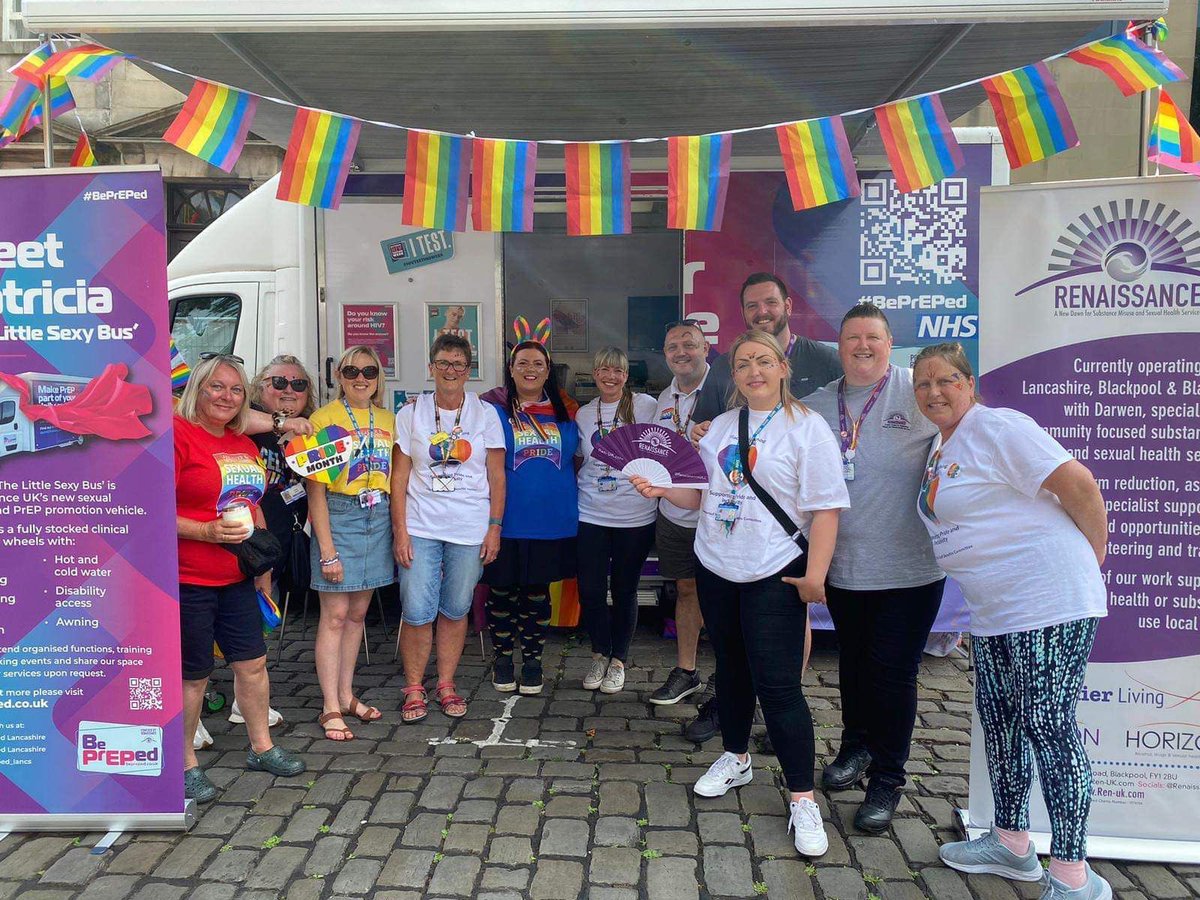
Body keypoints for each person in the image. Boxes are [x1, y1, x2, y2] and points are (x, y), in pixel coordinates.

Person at [634, 329, 848, 857]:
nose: (753, 370)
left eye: (763, 361)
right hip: (716, 564)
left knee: (778, 686)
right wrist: (664, 490)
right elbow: (701, 494)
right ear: (735, 375)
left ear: (782, 368)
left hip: (774, 569)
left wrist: (816, 575)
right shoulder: (724, 427)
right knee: (729, 670)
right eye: (744, 363)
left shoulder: (808, 428)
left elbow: (825, 509)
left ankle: (802, 798)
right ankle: (736, 757)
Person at [912, 343, 1110, 900]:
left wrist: (1087, 560)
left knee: (1049, 725)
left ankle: (1075, 876)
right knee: (1000, 722)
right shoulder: (941, 444)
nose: (934, 393)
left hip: (1047, 602)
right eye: (923, 384)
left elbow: (1080, 486)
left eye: (946, 380)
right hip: (996, 610)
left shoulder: (998, 427)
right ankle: (1011, 842)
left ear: (969, 383)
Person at [802, 304, 945, 833]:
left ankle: (888, 778)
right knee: (854, 666)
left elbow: (969, 429)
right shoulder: (817, 405)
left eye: (873, 338)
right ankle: (855, 748)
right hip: (846, 566)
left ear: (890, 343)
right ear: (838, 346)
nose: (862, 346)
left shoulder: (920, 390)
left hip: (910, 568)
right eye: (852, 338)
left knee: (893, 674)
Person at [685, 273, 844, 742]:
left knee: (782, 646)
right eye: (752, 305)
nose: (762, 311)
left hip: (791, 530)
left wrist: (817, 570)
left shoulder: (824, 359)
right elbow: (707, 435)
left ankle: (779, 710)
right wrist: (698, 436)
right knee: (732, 653)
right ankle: (732, 714)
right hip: (729, 539)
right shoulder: (724, 374)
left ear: (788, 304)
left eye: (770, 302)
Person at [175, 354, 306, 803]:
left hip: (237, 577)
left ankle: (261, 747)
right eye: (216, 386)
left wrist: (262, 554)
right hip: (188, 577)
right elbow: (150, 509)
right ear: (197, 389)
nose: (226, 397)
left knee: (252, 664)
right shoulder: (177, 436)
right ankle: (185, 764)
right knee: (192, 676)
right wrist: (205, 531)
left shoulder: (244, 445)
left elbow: (250, 502)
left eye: (235, 389)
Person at [392, 334, 506, 722]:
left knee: (456, 609)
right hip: (421, 525)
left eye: (459, 364)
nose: (451, 370)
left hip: (469, 527)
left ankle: (445, 683)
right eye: (443, 363)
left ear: (469, 371)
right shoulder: (411, 413)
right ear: (431, 367)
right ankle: (413, 686)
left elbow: (496, 475)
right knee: (418, 609)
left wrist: (494, 527)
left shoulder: (485, 413)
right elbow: (398, 478)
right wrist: (400, 531)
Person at [481, 332, 579, 695]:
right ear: (511, 369)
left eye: (538, 363)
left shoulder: (567, 412)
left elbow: (578, 460)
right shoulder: (491, 411)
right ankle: (504, 658)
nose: (530, 369)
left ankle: (534, 660)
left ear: (548, 369)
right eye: (522, 362)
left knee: (537, 595)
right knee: (502, 592)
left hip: (551, 521)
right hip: (505, 520)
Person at [306, 346, 396, 741]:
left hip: (377, 516)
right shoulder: (322, 419)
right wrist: (327, 550)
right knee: (335, 615)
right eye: (352, 370)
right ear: (339, 375)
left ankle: (346, 694)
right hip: (339, 515)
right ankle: (329, 706)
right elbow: (315, 494)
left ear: (379, 377)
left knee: (358, 615)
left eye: (369, 371)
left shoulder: (389, 419)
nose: (361, 378)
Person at [575, 347, 659, 694]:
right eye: (604, 370)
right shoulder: (583, 414)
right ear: (594, 373)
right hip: (591, 511)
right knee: (591, 589)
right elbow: (581, 460)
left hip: (634, 514)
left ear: (627, 376)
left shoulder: (646, 407)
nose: (611, 376)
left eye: (618, 371)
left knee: (625, 589)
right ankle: (599, 653)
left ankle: (619, 660)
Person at [647, 320, 711, 712]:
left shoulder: (725, 392)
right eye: (673, 347)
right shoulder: (662, 400)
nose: (681, 352)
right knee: (685, 590)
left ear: (706, 349)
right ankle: (686, 671)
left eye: (690, 344)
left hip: (717, 514)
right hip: (674, 513)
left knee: (723, 598)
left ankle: (730, 678)